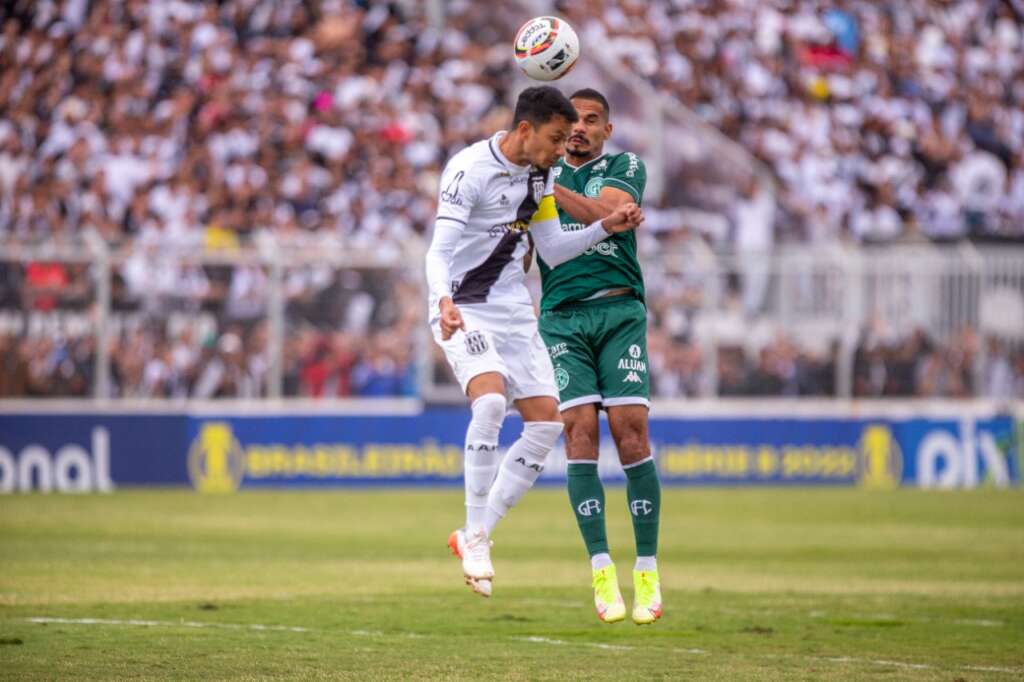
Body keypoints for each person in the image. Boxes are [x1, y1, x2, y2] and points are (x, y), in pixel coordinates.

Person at [424, 86, 644, 598]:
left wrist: (606, 227)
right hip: (462, 305)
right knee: (492, 402)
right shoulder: (469, 171)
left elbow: (553, 248)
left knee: (548, 424)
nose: (561, 149)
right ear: (525, 130)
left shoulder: (540, 175)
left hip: (513, 311)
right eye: (555, 138)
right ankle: (475, 532)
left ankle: (475, 534)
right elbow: (439, 252)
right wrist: (441, 300)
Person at [536, 88, 662, 625]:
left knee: (631, 431)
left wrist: (548, 185)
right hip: (563, 317)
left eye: (592, 120)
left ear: (607, 130)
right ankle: (602, 568)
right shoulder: (535, 176)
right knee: (578, 432)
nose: (582, 128)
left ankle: (648, 568)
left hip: (618, 311)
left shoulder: (623, 164)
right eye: (574, 121)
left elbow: (611, 213)